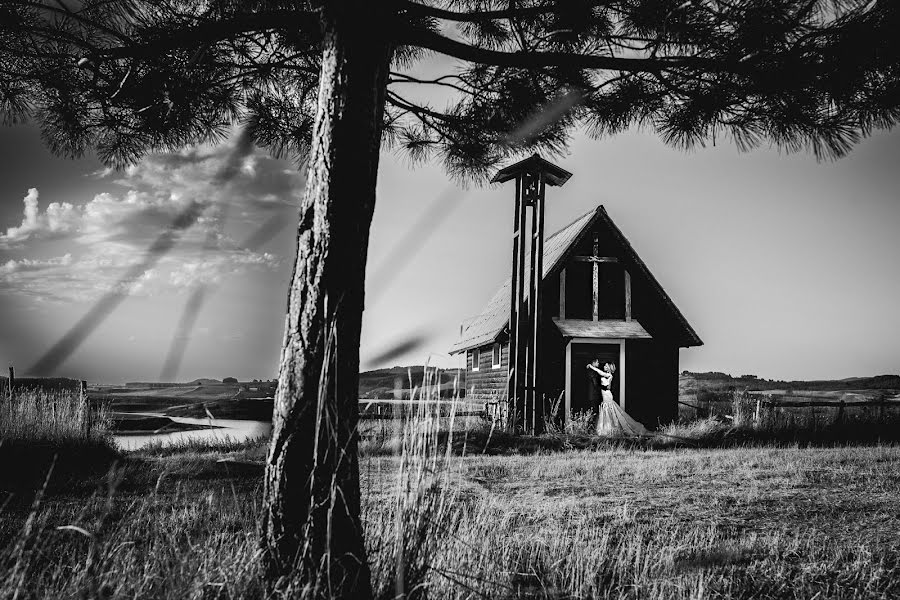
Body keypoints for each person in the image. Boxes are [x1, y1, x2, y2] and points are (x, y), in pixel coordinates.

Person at [587, 360, 648, 436]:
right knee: (607, 411)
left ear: (609, 368)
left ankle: (610, 428)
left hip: (607, 395)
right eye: (604, 365)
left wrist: (591, 366)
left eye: (606, 366)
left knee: (609, 410)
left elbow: (601, 373)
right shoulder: (605, 375)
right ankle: (608, 428)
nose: (604, 367)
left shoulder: (609, 375)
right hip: (605, 394)